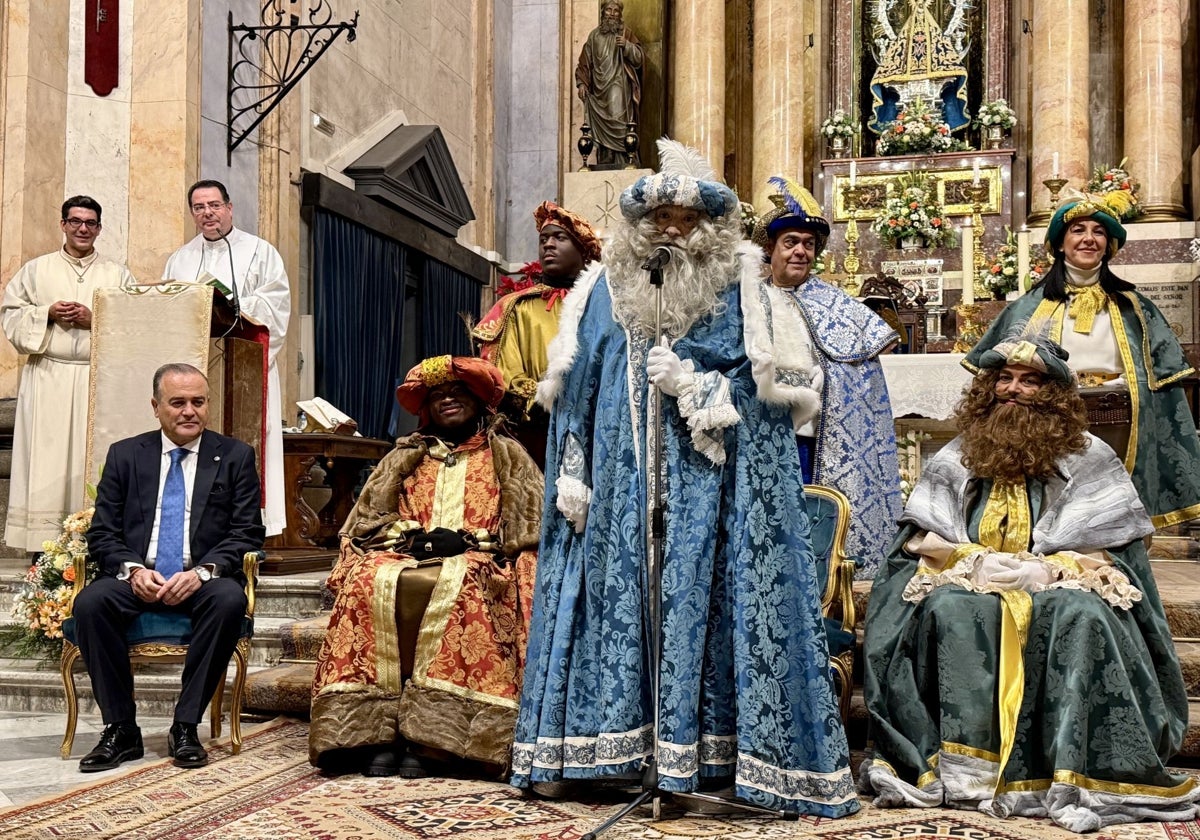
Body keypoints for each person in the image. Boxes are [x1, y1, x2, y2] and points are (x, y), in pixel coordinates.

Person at [510, 139, 858, 817]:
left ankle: (702, 756)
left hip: (709, 490)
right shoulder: (599, 290)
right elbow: (573, 389)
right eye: (661, 217)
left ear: (712, 226)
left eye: (687, 219)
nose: (672, 230)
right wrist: (572, 472)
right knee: (614, 606)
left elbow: (771, 396)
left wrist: (697, 387)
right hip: (616, 492)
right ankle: (614, 754)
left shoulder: (744, 290)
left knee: (703, 609)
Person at [861, 334, 1198, 832]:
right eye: (1004, 378)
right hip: (971, 575)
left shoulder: (1091, 457)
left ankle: (1066, 767)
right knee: (950, 609)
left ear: (1053, 393)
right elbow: (918, 539)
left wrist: (1046, 570)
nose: (1013, 389)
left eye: (1029, 380)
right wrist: (970, 560)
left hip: (1062, 581)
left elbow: (1118, 553)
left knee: (1079, 614)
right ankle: (970, 773)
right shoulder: (959, 454)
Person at [309, 356, 542, 778]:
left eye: (457, 392)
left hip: (483, 560)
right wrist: (409, 535)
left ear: (478, 401)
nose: (447, 400)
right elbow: (366, 522)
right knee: (366, 577)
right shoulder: (405, 456)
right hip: (406, 552)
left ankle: (437, 741)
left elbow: (529, 527)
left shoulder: (506, 454)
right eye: (437, 396)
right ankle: (370, 734)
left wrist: (469, 540)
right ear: (425, 409)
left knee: (460, 579)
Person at [964, 191, 1200, 528]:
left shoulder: (1136, 307)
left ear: (1109, 246)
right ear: (1060, 243)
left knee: (1115, 508)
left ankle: (1122, 569)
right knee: (1057, 505)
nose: (1089, 239)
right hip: (1050, 419)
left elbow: (1165, 379)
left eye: (1099, 232)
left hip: (1119, 418)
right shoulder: (1028, 307)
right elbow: (996, 371)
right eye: (1078, 230)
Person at [73, 363, 265, 772]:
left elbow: (247, 532)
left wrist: (203, 572)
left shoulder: (234, 456)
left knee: (230, 598)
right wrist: (131, 570)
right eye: (177, 403)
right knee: (91, 602)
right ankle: (121, 729)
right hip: (138, 577)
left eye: (198, 402)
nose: (189, 411)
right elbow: (103, 532)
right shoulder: (126, 455)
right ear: (156, 407)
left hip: (202, 578)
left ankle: (185, 725)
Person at [744, 176, 903, 578]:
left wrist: (822, 382)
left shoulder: (834, 303)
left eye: (809, 244)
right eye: (790, 242)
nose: (801, 251)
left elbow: (870, 360)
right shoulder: (746, 296)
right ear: (771, 248)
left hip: (811, 440)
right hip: (754, 429)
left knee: (808, 526)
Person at [1, 196, 135, 552]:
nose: (82, 229)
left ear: (100, 229)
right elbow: (10, 314)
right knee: (46, 461)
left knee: (93, 462)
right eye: (75, 221)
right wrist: (46, 313)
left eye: (90, 223)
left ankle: (95, 543)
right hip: (48, 376)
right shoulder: (36, 269)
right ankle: (42, 545)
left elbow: (136, 320)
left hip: (96, 378)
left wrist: (97, 319)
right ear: (63, 225)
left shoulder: (116, 273)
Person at [162, 179, 291, 537]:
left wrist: (234, 305)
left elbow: (276, 304)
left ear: (230, 208)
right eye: (200, 207)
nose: (208, 213)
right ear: (193, 213)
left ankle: (248, 529)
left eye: (214, 205)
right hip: (195, 368)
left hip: (244, 365)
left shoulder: (260, 252)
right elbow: (168, 308)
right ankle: (194, 525)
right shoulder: (180, 259)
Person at [472, 201, 601, 466]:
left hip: (597, 426)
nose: (548, 245)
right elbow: (503, 370)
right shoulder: (515, 307)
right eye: (544, 239)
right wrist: (541, 398)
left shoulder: (602, 305)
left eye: (559, 237)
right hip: (535, 433)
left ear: (583, 248)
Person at [575, 0, 644, 166]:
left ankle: (625, 157)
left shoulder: (625, 34)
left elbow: (639, 59)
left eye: (616, 11)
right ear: (602, 12)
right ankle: (606, 159)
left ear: (620, 15)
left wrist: (627, 46)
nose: (612, 14)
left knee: (618, 119)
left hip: (619, 85)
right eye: (608, 10)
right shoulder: (594, 36)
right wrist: (582, 83)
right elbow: (585, 62)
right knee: (602, 123)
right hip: (599, 90)